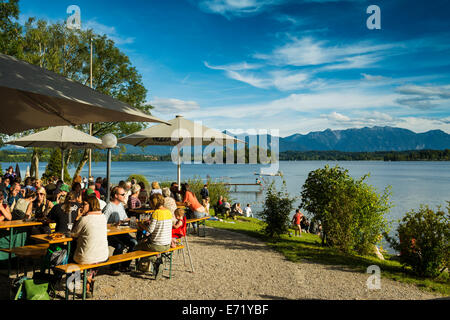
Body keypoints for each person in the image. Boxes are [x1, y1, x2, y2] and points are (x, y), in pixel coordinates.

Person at [71, 195, 109, 298]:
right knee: (92, 253)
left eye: (84, 204)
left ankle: (76, 282)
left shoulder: (85, 219)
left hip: (86, 258)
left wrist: (78, 217)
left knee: (73, 253)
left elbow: (73, 234)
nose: (82, 206)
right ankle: (88, 280)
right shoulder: (103, 217)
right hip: (103, 256)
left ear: (91, 205)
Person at [135, 193, 173, 279]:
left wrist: (140, 225)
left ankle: (156, 261)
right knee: (143, 244)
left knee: (136, 246)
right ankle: (154, 262)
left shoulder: (156, 213)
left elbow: (148, 232)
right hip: (167, 244)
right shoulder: (168, 212)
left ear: (153, 203)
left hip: (156, 245)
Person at [102, 186, 137, 274]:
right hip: (110, 234)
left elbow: (125, 219)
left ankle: (124, 265)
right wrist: (114, 224)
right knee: (119, 245)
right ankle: (113, 267)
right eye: (122, 194)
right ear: (116, 195)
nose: (124, 196)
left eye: (124, 194)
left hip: (121, 232)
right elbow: (101, 223)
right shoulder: (109, 207)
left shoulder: (121, 205)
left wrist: (134, 220)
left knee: (134, 243)